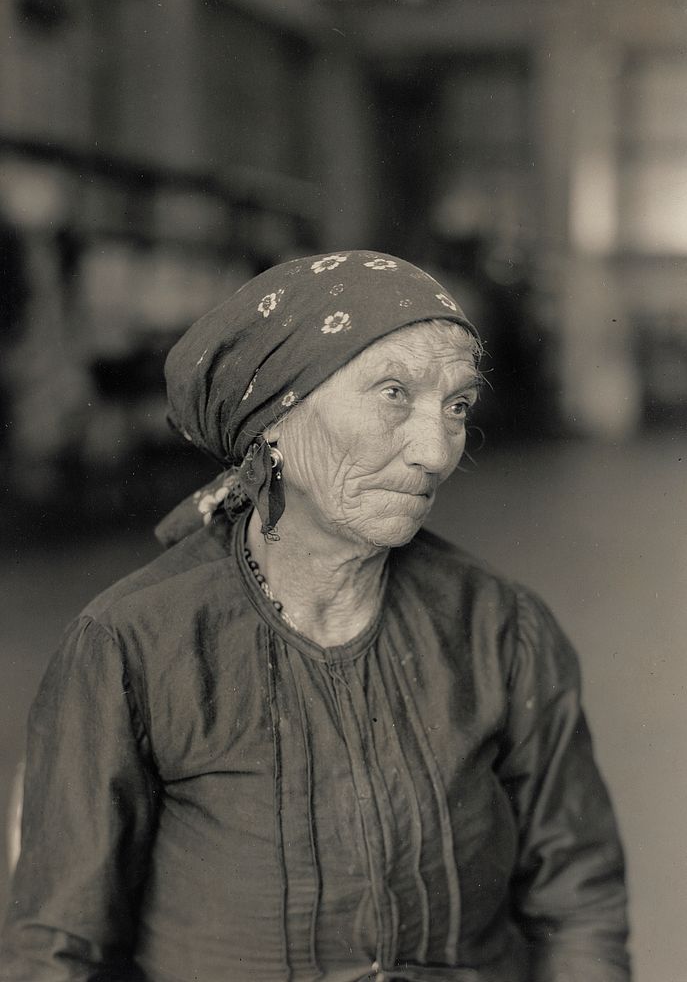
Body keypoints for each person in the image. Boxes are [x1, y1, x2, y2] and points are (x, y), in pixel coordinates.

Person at [0, 251, 631, 982]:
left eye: (455, 405)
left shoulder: (500, 629)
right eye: (393, 393)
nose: (434, 451)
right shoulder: (134, 647)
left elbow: (577, 903)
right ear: (274, 417)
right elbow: (57, 952)